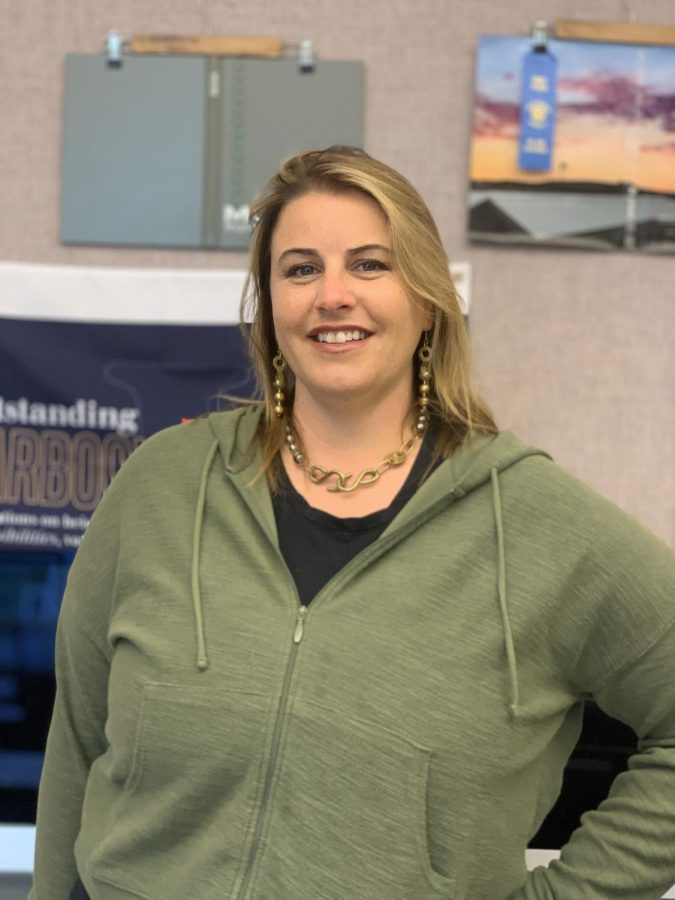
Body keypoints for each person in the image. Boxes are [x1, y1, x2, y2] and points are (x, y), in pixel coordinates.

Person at [30, 147, 675, 900]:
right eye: (300, 269)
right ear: (270, 306)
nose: (333, 295)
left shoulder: (539, 524)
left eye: (370, 265)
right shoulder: (163, 484)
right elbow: (77, 737)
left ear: (427, 297)